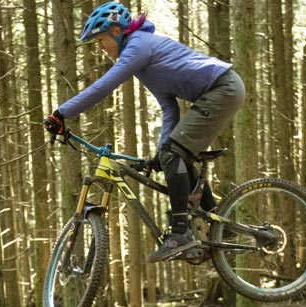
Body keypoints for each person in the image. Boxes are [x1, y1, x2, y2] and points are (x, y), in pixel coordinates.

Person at [43, 1, 245, 262]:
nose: (100, 48)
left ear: (116, 31)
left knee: (175, 152)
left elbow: (106, 85)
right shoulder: (144, 62)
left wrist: (62, 113)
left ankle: (181, 233)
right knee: (174, 153)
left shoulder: (138, 45)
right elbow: (169, 107)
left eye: (101, 40)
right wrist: (161, 151)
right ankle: (222, 225)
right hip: (221, 91)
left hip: (223, 89)